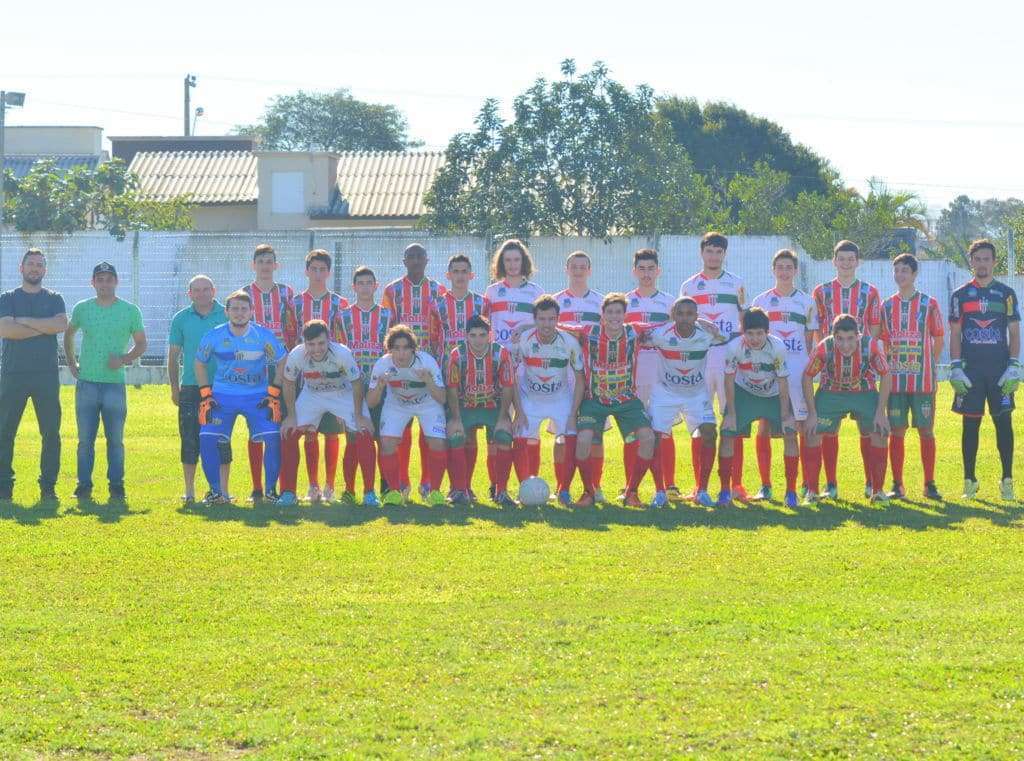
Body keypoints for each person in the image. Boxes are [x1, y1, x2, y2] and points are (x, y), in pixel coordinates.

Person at [63, 262, 146, 502]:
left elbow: (141, 343)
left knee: (116, 440)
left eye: (109, 279)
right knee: (85, 440)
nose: (105, 283)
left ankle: (117, 486)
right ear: (93, 283)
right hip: (87, 383)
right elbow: (69, 334)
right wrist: (71, 362)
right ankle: (84, 485)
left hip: (114, 385)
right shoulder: (83, 309)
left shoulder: (130, 311)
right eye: (100, 279)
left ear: (116, 282)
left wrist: (123, 359)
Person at [194, 290, 286, 504]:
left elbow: (282, 360)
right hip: (222, 397)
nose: (239, 313)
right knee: (206, 438)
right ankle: (216, 492)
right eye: (234, 309)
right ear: (226, 312)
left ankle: (271, 492)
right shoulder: (214, 335)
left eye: (244, 309)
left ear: (252, 312)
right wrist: (205, 394)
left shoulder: (262, 335)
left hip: (257, 396)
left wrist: (273, 392)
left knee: (273, 437)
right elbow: (200, 362)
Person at [568, 293, 657, 508]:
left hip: (626, 399)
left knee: (647, 438)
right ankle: (589, 492)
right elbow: (558, 327)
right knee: (583, 440)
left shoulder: (634, 331)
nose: (614, 316)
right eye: (610, 312)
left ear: (625, 315)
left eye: (618, 312)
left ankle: (631, 492)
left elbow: (669, 323)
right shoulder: (589, 332)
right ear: (603, 314)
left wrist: (703, 323)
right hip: (594, 399)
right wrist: (526, 328)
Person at [948, 239, 1021, 500]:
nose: (982, 263)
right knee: (970, 426)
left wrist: (1014, 365)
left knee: (1004, 423)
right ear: (971, 262)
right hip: (971, 371)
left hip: (1000, 371)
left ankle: (1007, 480)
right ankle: (969, 481)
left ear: (994, 261)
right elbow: (955, 333)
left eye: (986, 259)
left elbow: (1014, 331)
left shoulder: (1006, 294)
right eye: (977, 259)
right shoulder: (959, 295)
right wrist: (956, 367)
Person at [810, 240, 883, 499]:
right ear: (834, 261)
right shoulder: (821, 291)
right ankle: (831, 484)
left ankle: (871, 483)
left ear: (858, 261)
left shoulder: (870, 291)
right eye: (842, 258)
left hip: (863, 372)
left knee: (868, 428)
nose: (846, 263)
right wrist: (825, 355)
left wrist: (868, 356)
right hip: (832, 371)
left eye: (851, 258)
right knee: (829, 429)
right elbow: (818, 327)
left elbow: (874, 327)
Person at [679, 232, 748, 498]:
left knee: (733, 419)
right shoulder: (689, 286)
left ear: (724, 254)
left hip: (729, 358)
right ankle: (700, 484)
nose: (714, 256)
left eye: (719, 252)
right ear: (702, 253)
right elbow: (683, 322)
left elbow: (743, 320)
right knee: (700, 423)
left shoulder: (736, 284)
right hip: (700, 359)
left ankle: (736, 484)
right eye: (709, 251)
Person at [278, 320, 373, 506]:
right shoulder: (297, 354)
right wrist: (290, 415)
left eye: (321, 343)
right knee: (288, 433)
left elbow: (356, 382)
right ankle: (288, 492)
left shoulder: (342, 353)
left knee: (364, 432)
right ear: (303, 342)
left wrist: (359, 415)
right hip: (312, 394)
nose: (316, 349)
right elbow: (288, 382)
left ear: (329, 340)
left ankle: (368, 493)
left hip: (341, 393)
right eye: (311, 344)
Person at [749, 250, 818, 500]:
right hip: (767, 372)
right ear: (773, 270)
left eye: (789, 267)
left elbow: (809, 341)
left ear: (796, 271)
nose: (784, 271)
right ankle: (765, 485)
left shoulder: (807, 302)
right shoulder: (761, 300)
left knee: (800, 426)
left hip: (798, 371)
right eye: (780, 267)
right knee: (765, 424)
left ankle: (805, 485)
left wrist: (807, 371)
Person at [637, 297, 719, 507]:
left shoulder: (707, 334)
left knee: (709, 431)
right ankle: (660, 491)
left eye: (689, 314)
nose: (684, 318)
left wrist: (714, 328)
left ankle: (702, 490)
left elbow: (728, 337)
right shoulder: (661, 334)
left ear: (696, 316)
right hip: (665, 393)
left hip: (696, 394)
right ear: (673, 315)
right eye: (680, 313)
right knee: (655, 437)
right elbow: (638, 335)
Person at [802, 314, 891, 505]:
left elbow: (886, 374)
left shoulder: (871, 346)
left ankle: (878, 491)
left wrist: (881, 413)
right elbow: (807, 375)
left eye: (850, 338)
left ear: (858, 336)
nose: (845, 345)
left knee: (880, 432)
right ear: (833, 337)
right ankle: (812, 492)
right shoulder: (824, 348)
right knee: (811, 431)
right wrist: (811, 413)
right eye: (840, 339)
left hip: (864, 391)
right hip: (831, 392)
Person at [0, 249, 67, 501]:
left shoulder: (54, 298)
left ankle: (48, 487)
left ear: (44, 270)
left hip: (46, 376)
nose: (35, 268)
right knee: (4, 432)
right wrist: (43, 327)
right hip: (13, 374)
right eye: (31, 264)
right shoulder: (7, 298)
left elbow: (60, 325)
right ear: (21, 267)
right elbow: (6, 330)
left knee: (50, 433)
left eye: (39, 265)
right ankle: (4, 487)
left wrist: (25, 321)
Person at [284, 249, 349, 503]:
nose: (319, 273)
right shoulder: (296, 303)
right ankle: (313, 485)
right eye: (314, 269)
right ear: (307, 271)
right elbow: (291, 337)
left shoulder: (339, 303)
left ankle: (330, 485)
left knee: (331, 433)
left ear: (329, 272)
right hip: (304, 378)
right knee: (309, 431)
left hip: (332, 379)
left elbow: (343, 338)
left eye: (323, 269)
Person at [381, 243, 446, 498]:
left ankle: (428, 482)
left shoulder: (438, 290)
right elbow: (386, 325)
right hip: (400, 361)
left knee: (429, 426)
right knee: (403, 425)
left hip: (428, 364)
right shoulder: (392, 290)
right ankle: (403, 483)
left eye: (420, 256)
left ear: (427, 260)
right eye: (411, 256)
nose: (416, 260)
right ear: (404, 260)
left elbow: (442, 325)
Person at [718, 308, 800, 508]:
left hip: (772, 394)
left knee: (790, 433)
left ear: (767, 332)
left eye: (760, 333)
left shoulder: (777, 347)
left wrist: (785, 415)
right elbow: (728, 381)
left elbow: (782, 382)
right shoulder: (734, 347)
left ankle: (791, 492)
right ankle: (724, 491)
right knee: (727, 433)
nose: (754, 338)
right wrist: (731, 413)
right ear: (743, 331)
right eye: (750, 333)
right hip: (745, 393)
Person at [879, 253, 944, 501]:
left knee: (926, 430)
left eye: (905, 270)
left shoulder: (929, 304)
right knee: (896, 431)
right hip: (895, 382)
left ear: (914, 274)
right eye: (897, 271)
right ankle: (897, 485)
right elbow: (882, 340)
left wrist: (931, 363)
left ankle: (930, 483)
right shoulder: (886, 306)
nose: (900, 275)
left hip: (922, 381)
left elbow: (939, 337)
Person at [512, 296, 585, 507]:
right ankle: (525, 488)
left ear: (558, 319)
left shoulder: (569, 342)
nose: (547, 324)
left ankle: (564, 490)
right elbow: (512, 377)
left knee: (569, 438)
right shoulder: (523, 340)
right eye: (542, 319)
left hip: (560, 400)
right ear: (534, 319)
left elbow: (580, 380)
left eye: (551, 319)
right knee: (520, 436)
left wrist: (572, 414)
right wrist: (519, 410)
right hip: (530, 399)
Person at [484, 239, 546, 484]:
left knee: (526, 426)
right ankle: (496, 484)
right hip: (499, 365)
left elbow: (545, 321)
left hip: (527, 365)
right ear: (501, 263)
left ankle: (528, 483)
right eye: (507, 260)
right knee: (498, 426)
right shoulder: (491, 292)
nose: (512, 265)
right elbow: (484, 327)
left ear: (524, 262)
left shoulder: (535, 292)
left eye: (516, 260)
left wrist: (527, 325)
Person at [366, 324, 448, 507]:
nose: (401, 353)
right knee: (387, 442)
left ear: (413, 349)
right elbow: (371, 402)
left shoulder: (426, 362)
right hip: (397, 404)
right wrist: (380, 385)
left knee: (437, 442)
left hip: (427, 404)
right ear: (390, 349)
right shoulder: (382, 364)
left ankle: (434, 492)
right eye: (396, 348)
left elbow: (442, 398)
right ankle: (395, 492)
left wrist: (427, 380)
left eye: (406, 348)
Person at [167, 275, 229, 504]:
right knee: (190, 438)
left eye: (206, 289)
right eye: (197, 290)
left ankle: (223, 490)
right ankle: (190, 490)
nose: (202, 294)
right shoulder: (180, 319)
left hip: (223, 387)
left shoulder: (227, 314)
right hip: (191, 387)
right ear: (189, 293)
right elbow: (173, 358)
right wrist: (175, 388)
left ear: (214, 290)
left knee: (222, 438)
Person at [241, 243, 295, 502]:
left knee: (276, 428)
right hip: (253, 369)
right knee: (255, 429)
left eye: (269, 261)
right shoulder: (243, 294)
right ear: (254, 265)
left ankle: (273, 486)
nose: (265, 266)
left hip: (280, 368)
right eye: (260, 261)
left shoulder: (286, 293)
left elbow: (292, 330)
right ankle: (256, 487)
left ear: (276, 265)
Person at [429, 254, 486, 497]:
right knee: (451, 430)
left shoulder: (483, 304)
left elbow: (486, 336)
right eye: (456, 271)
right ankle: (454, 487)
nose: (460, 276)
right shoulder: (438, 304)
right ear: (448, 275)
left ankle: (467, 486)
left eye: (465, 271)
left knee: (470, 431)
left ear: (471, 275)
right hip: (446, 373)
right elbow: (433, 339)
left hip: (474, 375)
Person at [446, 315, 517, 506]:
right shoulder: (457, 355)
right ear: (466, 336)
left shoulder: (501, 354)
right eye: (473, 335)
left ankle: (501, 491)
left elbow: (508, 386)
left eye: (482, 335)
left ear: (490, 335)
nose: (478, 340)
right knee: (457, 436)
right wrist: (455, 418)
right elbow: (452, 388)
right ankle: (461, 490)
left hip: (492, 408)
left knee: (503, 436)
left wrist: (504, 417)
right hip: (465, 407)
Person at [336, 266, 393, 506]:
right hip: (352, 387)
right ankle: (349, 490)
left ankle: (384, 489)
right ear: (354, 287)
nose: (365, 286)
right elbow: (338, 352)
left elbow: (394, 349)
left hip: (381, 386)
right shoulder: (343, 316)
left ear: (376, 286)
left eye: (370, 282)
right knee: (353, 439)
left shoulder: (388, 316)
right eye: (361, 282)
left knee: (382, 439)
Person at [552, 251, 606, 500]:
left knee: (594, 434)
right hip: (562, 374)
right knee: (562, 435)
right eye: (574, 266)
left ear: (590, 270)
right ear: (566, 269)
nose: (578, 271)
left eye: (583, 267)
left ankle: (595, 486)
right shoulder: (555, 301)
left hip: (593, 373)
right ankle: (562, 487)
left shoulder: (601, 302)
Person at [624, 248, 676, 498]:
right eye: (641, 269)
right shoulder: (624, 302)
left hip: (660, 371)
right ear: (634, 271)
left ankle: (670, 483)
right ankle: (628, 485)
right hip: (631, 372)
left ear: (658, 271)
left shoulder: (669, 303)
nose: (646, 274)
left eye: (650, 269)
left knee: (663, 428)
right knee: (633, 429)